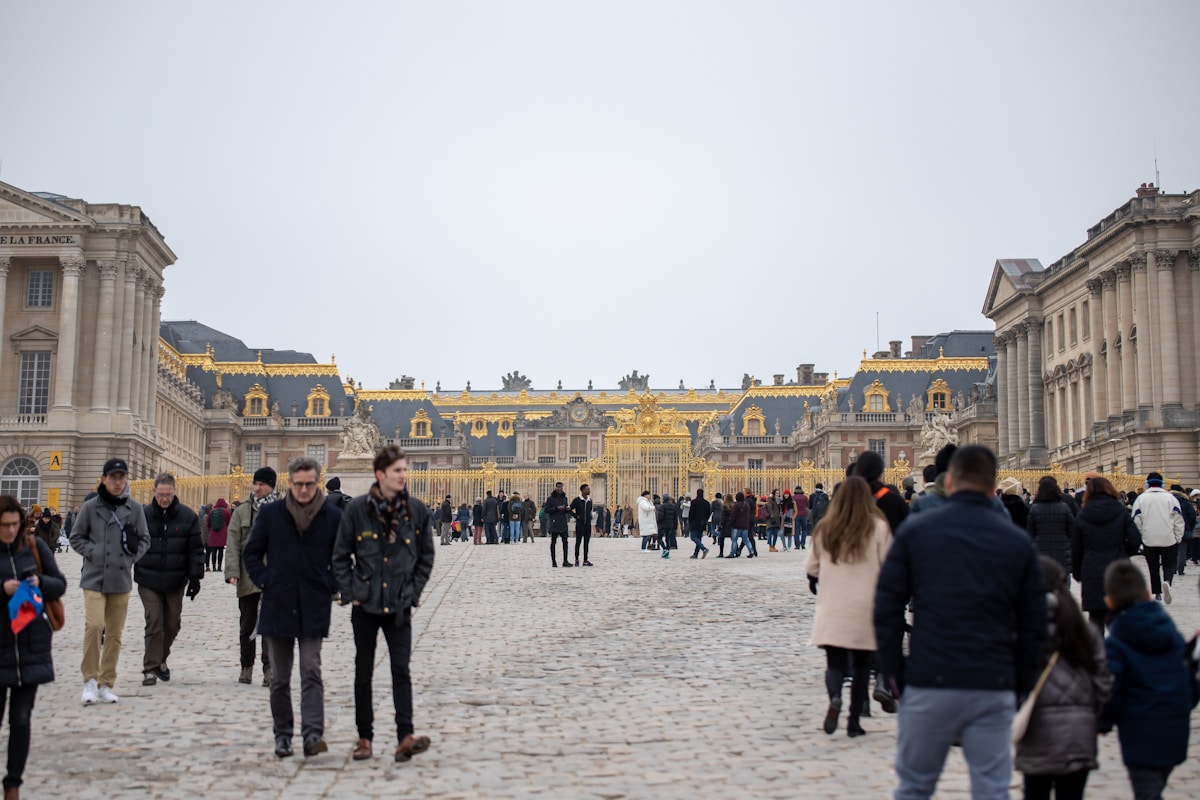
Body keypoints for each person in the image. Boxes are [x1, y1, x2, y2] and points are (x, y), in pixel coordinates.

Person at [874, 445, 1046, 800]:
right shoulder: (1016, 543)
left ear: (948, 482)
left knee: (914, 787)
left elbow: (886, 608)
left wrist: (894, 674)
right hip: (993, 680)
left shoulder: (917, 533)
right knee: (992, 788)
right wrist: (1022, 683)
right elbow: (1035, 624)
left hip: (928, 676)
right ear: (992, 486)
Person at [332, 445, 435, 764]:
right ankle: (365, 737)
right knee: (363, 672)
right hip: (366, 605)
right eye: (398, 471)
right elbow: (339, 556)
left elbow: (425, 557)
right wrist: (353, 591)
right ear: (380, 475)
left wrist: (413, 592)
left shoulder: (416, 511)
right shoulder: (357, 509)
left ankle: (405, 735)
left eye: (404, 470)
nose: (404, 475)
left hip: (399, 604)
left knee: (401, 670)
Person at [243, 457, 342, 758]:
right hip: (278, 603)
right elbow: (251, 552)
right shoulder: (272, 514)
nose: (303, 489)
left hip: (313, 603)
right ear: (290, 484)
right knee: (280, 677)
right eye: (298, 484)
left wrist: (330, 583)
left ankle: (312, 735)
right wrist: (266, 581)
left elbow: (343, 556)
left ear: (317, 482)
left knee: (311, 669)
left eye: (309, 484)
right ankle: (283, 735)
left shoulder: (331, 516)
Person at [1099, 559, 1199, 799]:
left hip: (1139, 733)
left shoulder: (1116, 643)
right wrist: (1184, 706)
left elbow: (1112, 688)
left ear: (1109, 602)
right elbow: (1189, 678)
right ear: (1146, 594)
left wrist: (1104, 721)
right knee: (1155, 786)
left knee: (1147, 790)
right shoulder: (1170, 633)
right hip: (1174, 731)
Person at [1014, 557, 1113, 800]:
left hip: (1036, 734)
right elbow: (1104, 682)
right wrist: (1095, 717)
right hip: (1079, 737)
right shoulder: (1085, 630)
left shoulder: (1019, 630)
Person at [806, 477, 892, 738]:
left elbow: (812, 568)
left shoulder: (825, 528)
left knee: (835, 664)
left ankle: (834, 699)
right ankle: (854, 722)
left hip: (833, 605)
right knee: (863, 666)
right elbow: (890, 565)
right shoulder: (878, 527)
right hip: (866, 606)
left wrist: (817, 580)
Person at [69, 458, 151, 705]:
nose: (117, 482)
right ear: (103, 480)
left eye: (121, 477)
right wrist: (93, 552)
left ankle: (106, 682)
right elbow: (76, 537)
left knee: (114, 633)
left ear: (126, 480)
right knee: (94, 626)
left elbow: (145, 539)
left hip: (120, 577)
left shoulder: (135, 509)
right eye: (113, 477)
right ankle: (90, 680)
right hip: (94, 577)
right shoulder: (90, 507)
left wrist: (130, 560)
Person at [0, 496, 66, 799]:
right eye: (4, 526)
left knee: (22, 719)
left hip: (30, 646)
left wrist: (38, 582)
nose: (10, 531)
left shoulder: (34, 548)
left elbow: (59, 583)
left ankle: (13, 783)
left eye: (15, 524)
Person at [135, 474, 204, 686]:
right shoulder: (143, 515)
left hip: (175, 579)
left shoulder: (187, 516)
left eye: (168, 495)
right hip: (148, 577)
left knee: (172, 624)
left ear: (174, 493)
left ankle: (161, 659)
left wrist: (195, 577)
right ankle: (149, 668)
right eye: (161, 495)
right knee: (154, 621)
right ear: (154, 493)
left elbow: (195, 549)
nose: (164, 499)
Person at [225, 467, 279, 686]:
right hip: (248, 575)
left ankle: (269, 669)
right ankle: (246, 666)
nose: (257, 488)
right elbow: (233, 543)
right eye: (255, 483)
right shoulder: (241, 512)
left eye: (261, 484)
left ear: (271, 486)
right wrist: (232, 572)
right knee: (246, 624)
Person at [1071, 477, 1140, 632]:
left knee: (1095, 617)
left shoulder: (1083, 514)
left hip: (1092, 566)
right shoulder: (1120, 511)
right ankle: (1119, 652)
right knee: (1119, 616)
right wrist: (1124, 552)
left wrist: (1077, 572)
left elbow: (1076, 548)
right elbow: (1135, 540)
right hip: (1117, 567)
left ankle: (1098, 653)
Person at [1130, 471, 1183, 603]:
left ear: (1147, 483)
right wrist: (1178, 536)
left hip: (1149, 539)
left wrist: (1141, 536)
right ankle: (1167, 581)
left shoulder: (1141, 499)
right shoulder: (1171, 498)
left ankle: (1157, 592)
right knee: (1170, 564)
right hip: (1168, 537)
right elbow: (1178, 519)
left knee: (1153, 567)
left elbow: (1136, 520)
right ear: (1162, 484)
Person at [1027, 476, 1075, 581]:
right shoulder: (1064, 507)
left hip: (1041, 553)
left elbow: (1030, 534)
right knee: (1063, 585)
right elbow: (1072, 531)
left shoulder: (1035, 509)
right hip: (1062, 552)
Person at [543, 482, 571, 567]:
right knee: (553, 543)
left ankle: (565, 561)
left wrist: (566, 509)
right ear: (555, 488)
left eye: (561, 487)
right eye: (558, 487)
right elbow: (546, 510)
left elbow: (567, 510)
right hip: (554, 522)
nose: (560, 489)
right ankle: (553, 561)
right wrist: (556, 508)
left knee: (565, 543)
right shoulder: (550, 499)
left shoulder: (564, 498)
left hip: (563, 522)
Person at [568, 484, 594, 567]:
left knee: (586, 543)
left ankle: (585, 560)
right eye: (587, 489)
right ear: (582, 490)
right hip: (580, 524)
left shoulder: (590, 501)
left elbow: (589, 511)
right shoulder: (577, 500)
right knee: (578, 542)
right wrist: (576, 516)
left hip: (587, 525)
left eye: (589, 489)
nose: (589, 491)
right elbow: (569, 509)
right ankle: (576, 559)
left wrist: (590, 517)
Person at [727, 492, 754, 558]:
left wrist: (730, 523)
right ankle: (751, 551)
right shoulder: (747, 505)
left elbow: (733, 515)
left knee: (734, 540)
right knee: (745, 539)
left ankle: (732, 553)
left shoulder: (736, 505)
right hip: (745, 525)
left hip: (736, 525)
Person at [207, 498, 230, 572]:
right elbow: (229, 521)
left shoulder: (211, 512)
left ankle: (213, 566)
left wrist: (210, 530)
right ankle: (219, 566)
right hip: (222, 533)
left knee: (213, 551)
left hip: (213, 533)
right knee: (221, 550)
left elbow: (208, 523)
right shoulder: (226, 511)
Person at [687, 489, 710, 559]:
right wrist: (705, 519)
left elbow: (691, 513)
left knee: (693, 537)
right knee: (699, 538)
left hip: (694, 522)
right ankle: (695, 554)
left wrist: (690, 520)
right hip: (702, 522)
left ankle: (704, 549)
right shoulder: (706, 503)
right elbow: (708, 513)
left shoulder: (694, 502)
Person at [804, 483, 828, 549]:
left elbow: (810, 506)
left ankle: (815, 542)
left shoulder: (812, 495)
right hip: (823, 514)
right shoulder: (825, 496)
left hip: (814, 514)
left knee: (815, 528)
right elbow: (827, 505)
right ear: (822, 488)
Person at [659, 494, 679, 559]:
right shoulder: (673, 506)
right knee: (668, 539)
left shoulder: (662, 506)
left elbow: (660, 516)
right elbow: (675, 517)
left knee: (659, 538)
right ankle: (667, 551)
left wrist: (658, 521)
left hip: (663, 524)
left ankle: (664, 549)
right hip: (670, 524)